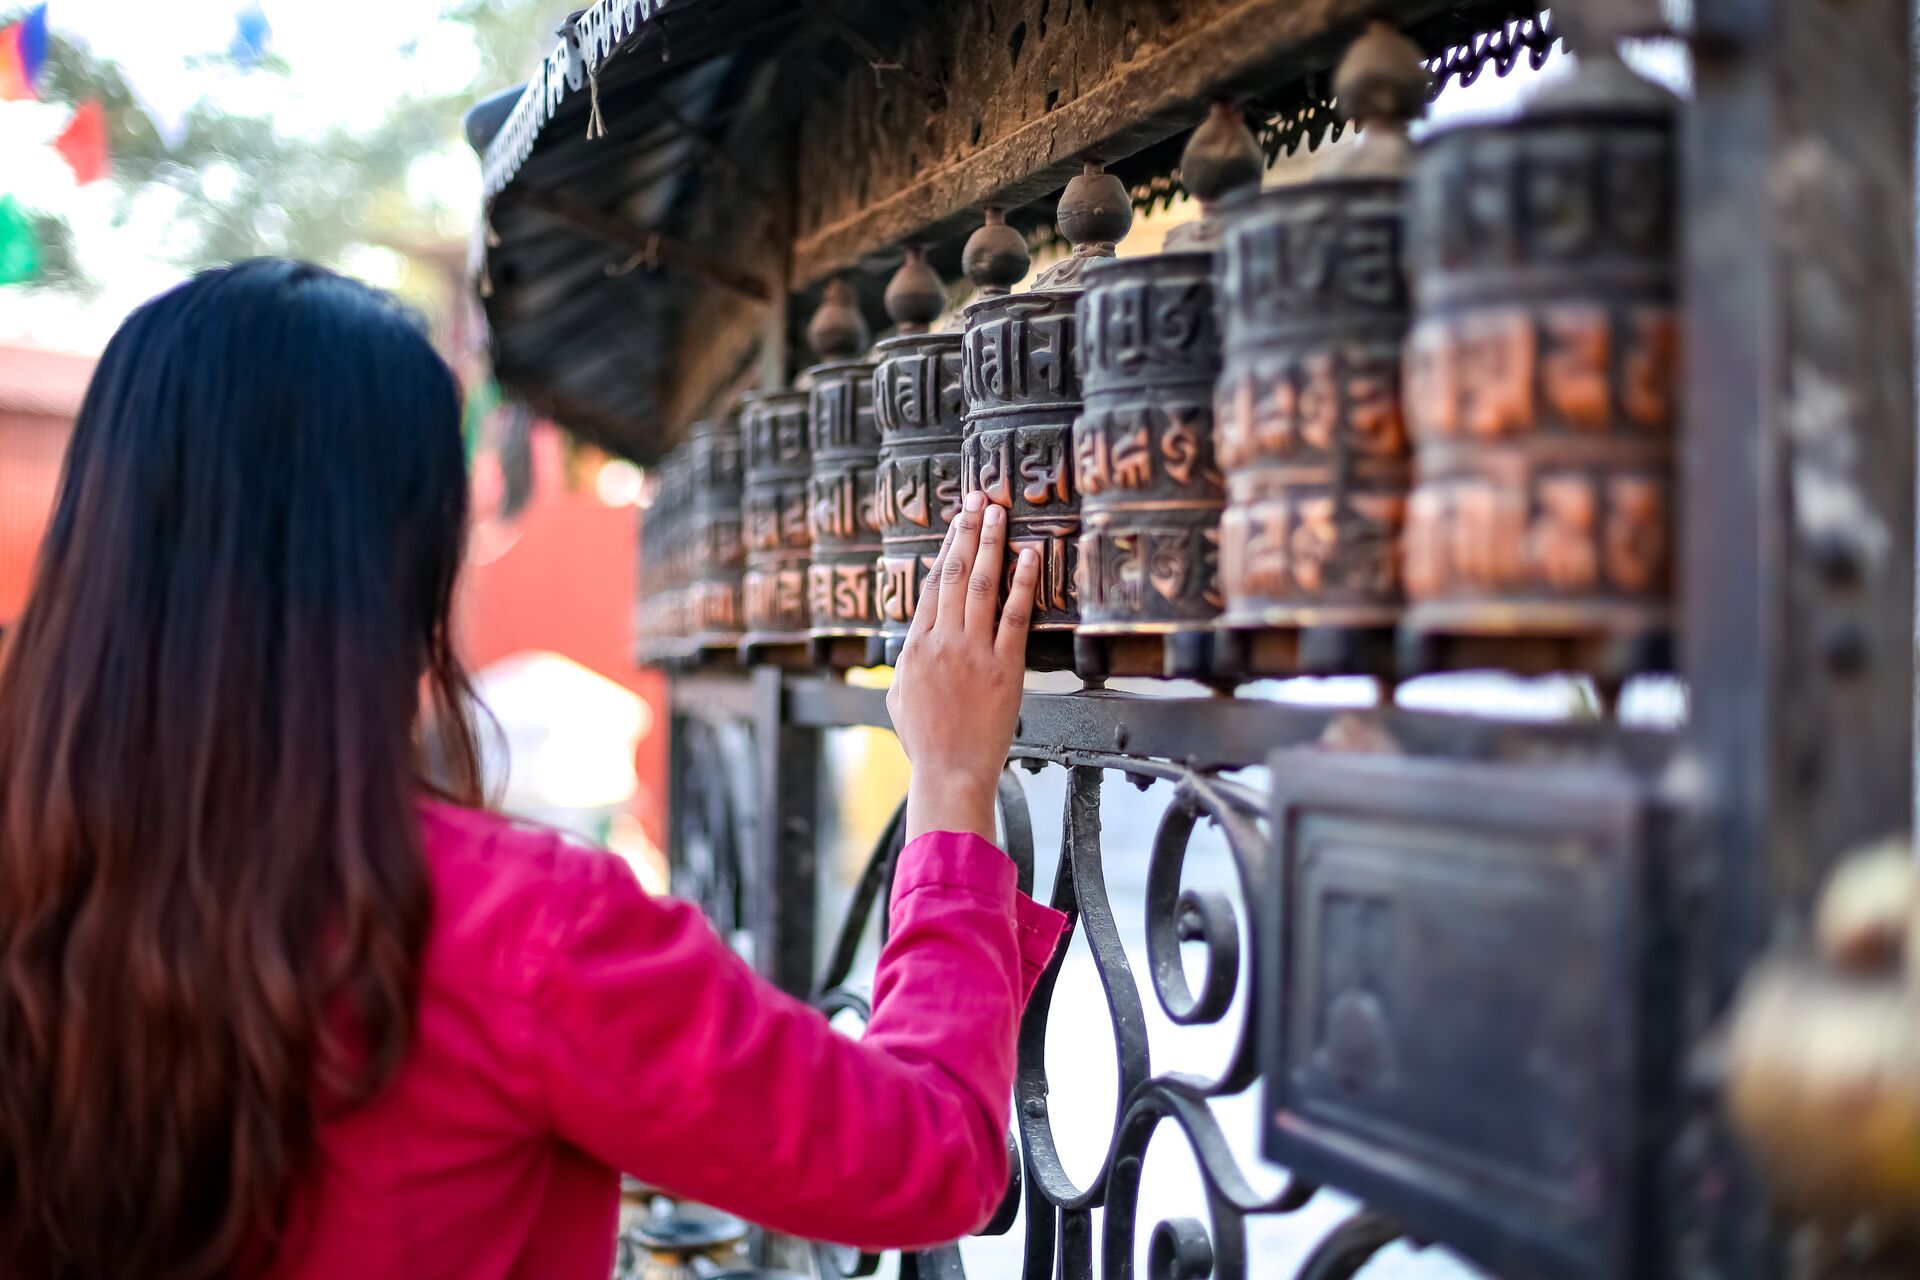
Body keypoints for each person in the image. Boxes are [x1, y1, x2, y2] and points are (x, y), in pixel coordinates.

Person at [0, 260, 1065, 1280]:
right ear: (400, 556)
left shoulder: (36, 876)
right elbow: (922, 1154)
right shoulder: (519, 927)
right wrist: (953, 783)